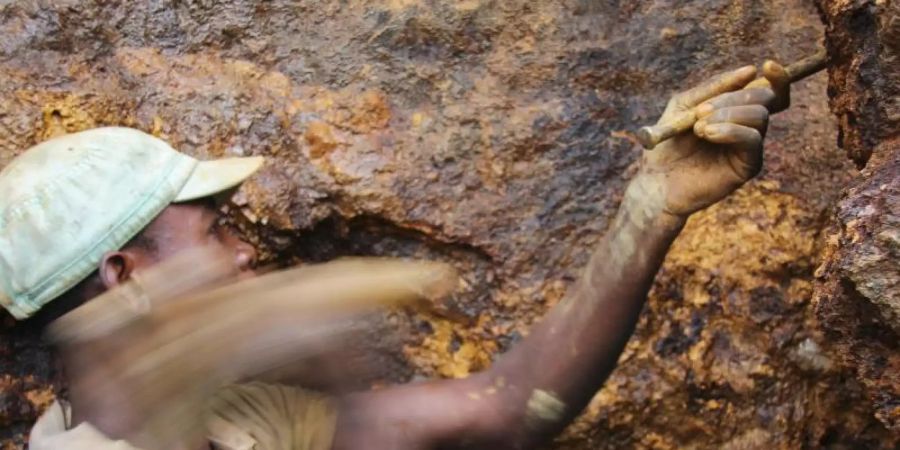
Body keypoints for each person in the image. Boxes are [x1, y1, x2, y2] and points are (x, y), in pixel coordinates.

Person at [3, 61, 790, 449]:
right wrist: (309, 334)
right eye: (216, 231)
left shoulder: (238, 419)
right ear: (127, 276)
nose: (246, 257)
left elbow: (507, 409)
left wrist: (647, 209)